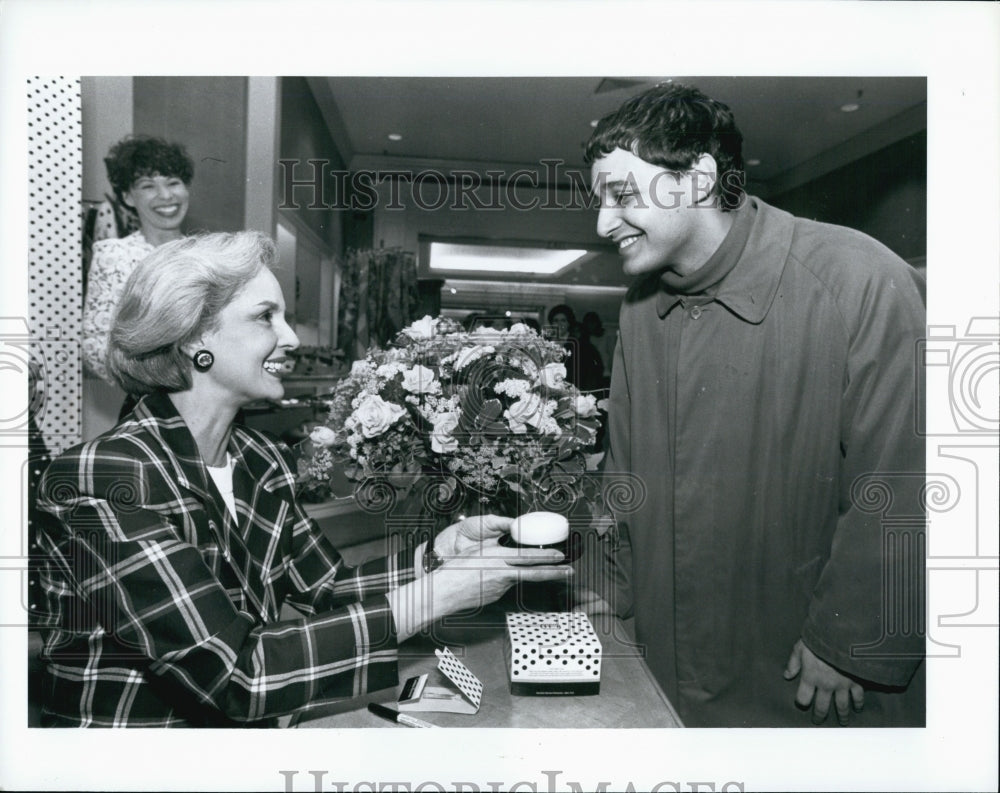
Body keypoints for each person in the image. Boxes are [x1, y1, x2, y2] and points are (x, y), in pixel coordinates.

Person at [36, 231, 570, 727]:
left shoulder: (257, 457)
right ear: (191, 335)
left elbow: (327, 588)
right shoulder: (102, 478)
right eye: (266, 317)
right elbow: (237, 675)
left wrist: (440, 556)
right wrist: (433, 597)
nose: (290, 337)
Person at [582, 83, 926, 727]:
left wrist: (851, 644)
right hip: (664, 659)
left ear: (700, 178)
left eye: (623, 195)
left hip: (808, 676)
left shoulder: (860, 280)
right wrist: (609, 587)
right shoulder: (639, 310)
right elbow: (623, 475)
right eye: (598, 198)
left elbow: (914, 481)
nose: (601, 224)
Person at [82, 135, 194, 390]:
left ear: (186, 188)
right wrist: (161, 384)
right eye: (148, 186)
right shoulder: (114, 256)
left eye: (173, 182)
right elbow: (95, 347)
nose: (165, 195)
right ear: (128, 197)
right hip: (152, 399)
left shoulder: (209, 256)